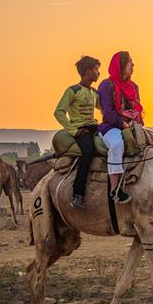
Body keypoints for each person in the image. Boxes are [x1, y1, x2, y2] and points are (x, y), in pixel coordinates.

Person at [54, 55, 102, 209]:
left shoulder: (94, 92)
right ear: (88, 71)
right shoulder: (72, 91)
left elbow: (104, 109)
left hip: (95, 127)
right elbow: (59, 112)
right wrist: (74, 131)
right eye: (96, 70)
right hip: (82, 130)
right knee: (87, 153)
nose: (98, 73)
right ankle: (77, 195)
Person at [97, 51, 143, 204]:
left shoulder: (134, 86)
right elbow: (108, 113)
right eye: (130, 61)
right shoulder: (106, 85)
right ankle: (115, 190)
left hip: (132, 126)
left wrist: (137, 124)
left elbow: (137, 108)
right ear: (121, 65)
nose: (133, 64)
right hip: (112, 127)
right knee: (117, 145)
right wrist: (124, 124)